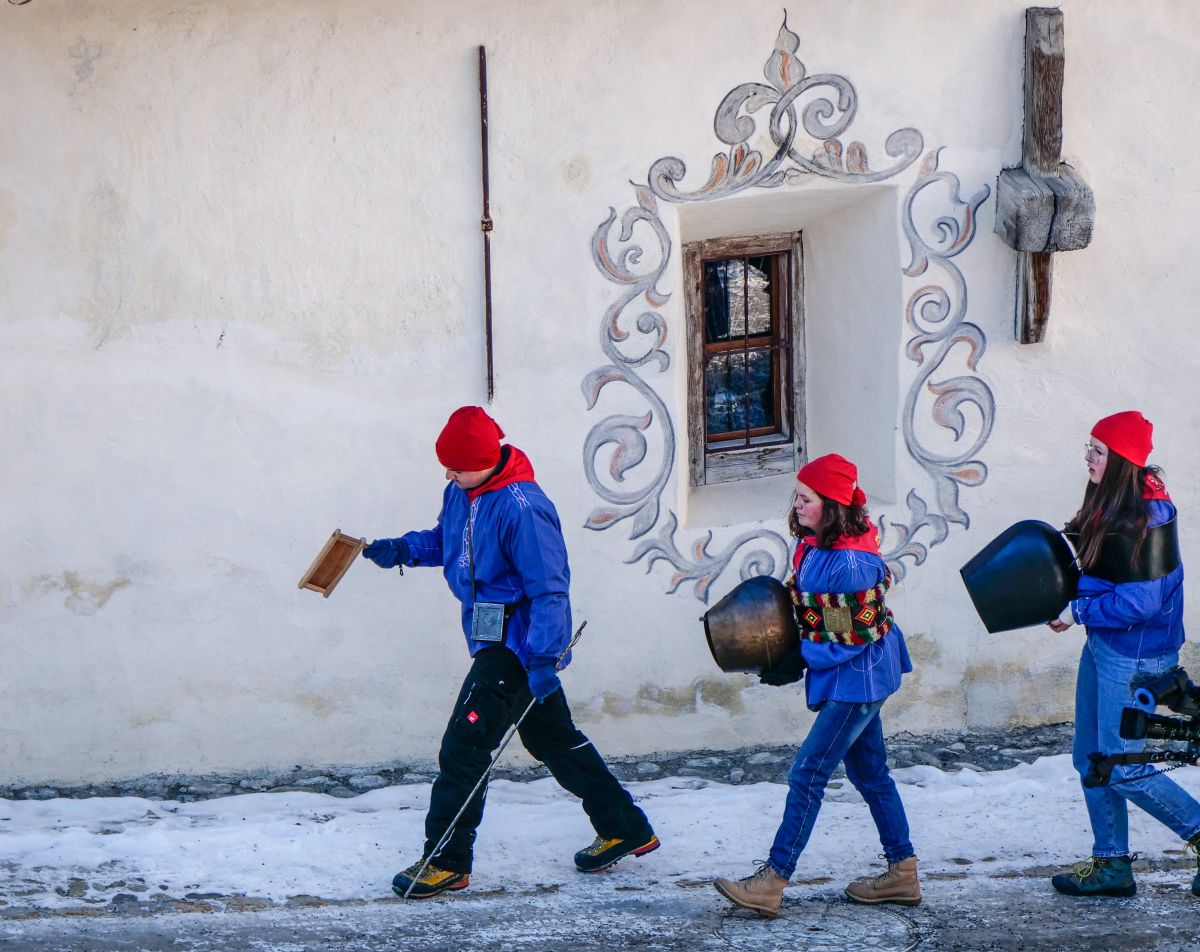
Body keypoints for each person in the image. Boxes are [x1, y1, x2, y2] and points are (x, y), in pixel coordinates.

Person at [362, 406, 658, 900]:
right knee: (555, 741)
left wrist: (542, 659)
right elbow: (448, 543)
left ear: (485, 459)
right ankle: (624, 826)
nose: (449, 474)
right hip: (494, 638)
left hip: (517, 647)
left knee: (464, 748)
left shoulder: (524, 507)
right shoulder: (462, 492)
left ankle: (446, 861)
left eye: (458, 466)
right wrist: (403, 549)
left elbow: (549, 589)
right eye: (447, 466)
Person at [713, 454, 919, 918]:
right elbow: (814, 614)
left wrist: (797, 658)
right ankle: (903, 872)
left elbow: (849, 635)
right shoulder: (817, 546)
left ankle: (773, 880)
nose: (797, 504)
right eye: (797, 496)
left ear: (833, 506)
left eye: (806, 498)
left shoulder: (849, 563)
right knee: (870, 774)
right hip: (853, 673)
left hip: (858, 679)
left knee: (808, 773)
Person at [1047, 410, 1200, 898]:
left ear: (1122, 460)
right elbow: (1104, 571)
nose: (1088, 458)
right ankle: (1112, 863)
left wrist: (1077, 611)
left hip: (1137, 659)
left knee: (1125, 767)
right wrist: (1065, 599)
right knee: (1091, 759)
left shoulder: (1150, 516)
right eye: (1089, 448)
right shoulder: (1112, 502)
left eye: (1098, 451)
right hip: (1105, 647)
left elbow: (1141, 602)